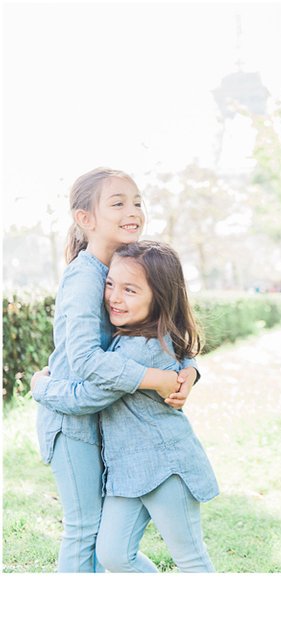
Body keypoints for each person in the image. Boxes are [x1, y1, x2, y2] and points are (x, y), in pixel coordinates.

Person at [30, 167, 198, 572]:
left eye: (138, 201)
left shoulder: (127, 267)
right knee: (84, 530)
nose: (133, 211)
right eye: (118, 203)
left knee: (105, 542)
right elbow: (86, 361)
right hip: (71, 417)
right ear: (85, 219)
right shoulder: (84, 277)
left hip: (103, 415)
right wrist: (156, 378)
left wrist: (187, 371)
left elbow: (162, 327)